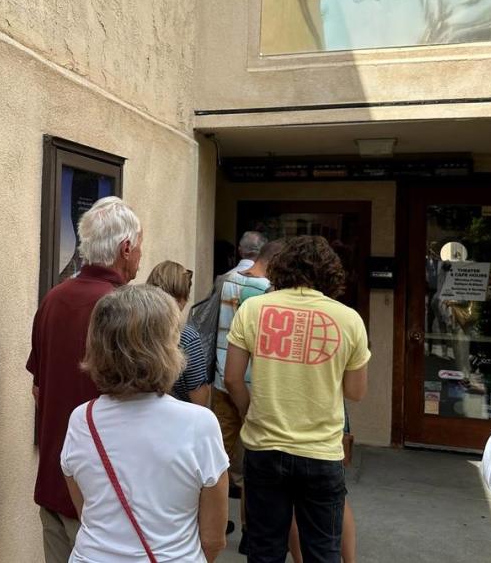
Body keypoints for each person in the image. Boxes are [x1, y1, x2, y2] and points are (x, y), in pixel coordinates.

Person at [225, 235, 370, 563]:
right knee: (322, 551)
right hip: (320, 451)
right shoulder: (348, 320)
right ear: (331, 273)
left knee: (265, 549)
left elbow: (232, 377)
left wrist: (251, 412)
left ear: (282, 267)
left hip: (265, 446)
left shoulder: (254, 309)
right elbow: (356, 392)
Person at [61, 285, 229, 562]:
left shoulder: (82, 419)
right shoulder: (199, 423)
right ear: (167, 346)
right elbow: (213, 539)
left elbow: (87, 511)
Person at [27, 196, 144, 563]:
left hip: (53, 482)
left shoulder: (53, 299)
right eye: (140, 246)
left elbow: (38, 390)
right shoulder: (125, 310)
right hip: (104, 498)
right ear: (126, 248)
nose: (140, 255)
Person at [211, 239, 283, 548]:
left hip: (220, 377)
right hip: (252, 383)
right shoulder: (268, 292)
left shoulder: (224, 281)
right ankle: (249, 528)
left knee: (220, 458)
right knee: (254, 460)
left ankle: (216, 520)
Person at [146, 261, 210, 406]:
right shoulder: (187, 336)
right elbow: (200, 398)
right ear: (183, 296)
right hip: (177, 417)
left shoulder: (135, 327)